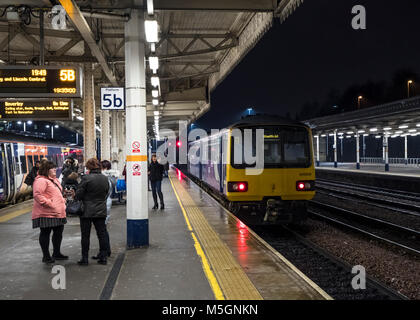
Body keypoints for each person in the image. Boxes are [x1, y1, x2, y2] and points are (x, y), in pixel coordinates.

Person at [73, 158, 110, 265]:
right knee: (102, 234)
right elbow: (106, 193)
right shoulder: (104, 178)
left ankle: (85, 259)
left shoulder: (86, 178)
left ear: (89, 167)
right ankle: (103, 257)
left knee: (85, 235)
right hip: (101, 210)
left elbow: (79, 195)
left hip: (86, 211)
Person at [32, 161, 68, 264]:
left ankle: (56, 253)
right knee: (45, 233)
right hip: (46, 212)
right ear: (46, 170)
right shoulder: (41, 181)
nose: (55, 170)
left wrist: (62, 199)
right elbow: (37, 195)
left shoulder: (54, 180)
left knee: (58, 233)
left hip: (58, 212)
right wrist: (50, 203)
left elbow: (55, 193)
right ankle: (46, 256)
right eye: (52, 169)